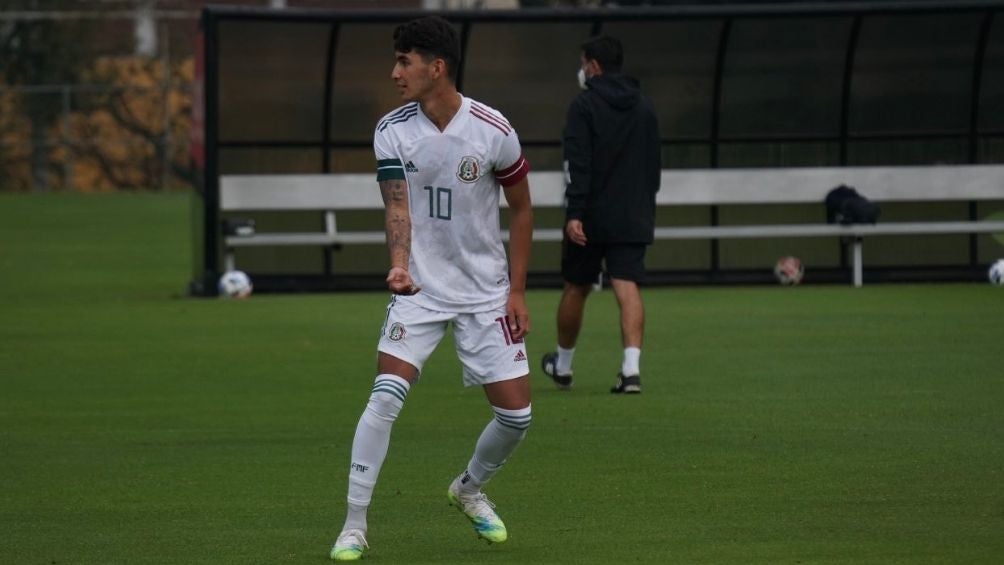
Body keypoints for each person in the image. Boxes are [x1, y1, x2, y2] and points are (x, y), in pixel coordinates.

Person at [329, 16, 534, 562]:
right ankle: (353, 526)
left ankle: (467, 489)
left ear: (436, 67)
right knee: (385, 395)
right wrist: (400, 265)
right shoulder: (391, 129)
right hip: (419, 290)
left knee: (516, 417)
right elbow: (397, 204)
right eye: (396, 60)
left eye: (405, 61)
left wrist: (516, 291)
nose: (395, 72)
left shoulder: (493, 130)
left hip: (485, 292)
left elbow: (523, 210)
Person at [540, 35, 660, 395]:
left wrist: (574, 212)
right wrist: (644, 204)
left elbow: (578, 164)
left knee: (576, 286)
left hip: (590, 215)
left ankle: (562, 366)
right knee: (627, 285)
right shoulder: (645, 107)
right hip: (632, 213)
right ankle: (631, 370)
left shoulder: (584, 106)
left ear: (593, 65)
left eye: (582, 63)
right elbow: (654, 163)